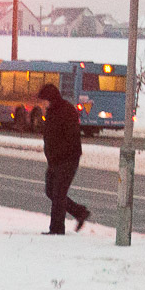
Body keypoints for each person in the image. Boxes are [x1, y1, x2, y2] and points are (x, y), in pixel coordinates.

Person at [38, 83, 90, 235]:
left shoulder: (67, 111)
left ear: (51, 98)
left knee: (58, 194)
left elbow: (71, 137)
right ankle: (80, 212)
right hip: (55, 160)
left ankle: (56, 229)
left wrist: (59, 153)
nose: (42, 104)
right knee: (50, 191)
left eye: (44, 100)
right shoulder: (51, 111)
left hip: (68, 158)